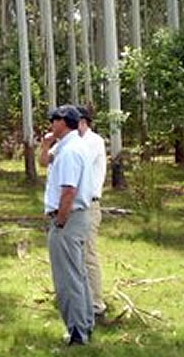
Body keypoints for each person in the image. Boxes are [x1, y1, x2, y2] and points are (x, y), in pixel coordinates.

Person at [41, 105, 96, 346]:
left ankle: (76, 333)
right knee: (78, 274)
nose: (51, 122)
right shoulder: (69, 146)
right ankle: (85, 324)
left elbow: (69, 191)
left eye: (55, 119)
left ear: (65, 122)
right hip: (76, 217)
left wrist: (61, 220)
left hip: (69, 219)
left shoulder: (71, 150)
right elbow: (45, 161)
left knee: (67, 278)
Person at [76, 105, 107, 320]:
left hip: (88, 205)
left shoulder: (93, 141)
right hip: (74, 206)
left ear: (83, 122)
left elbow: (78, 163)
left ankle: (96, 305)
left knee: (88, 255)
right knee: (76, 255)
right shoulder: (73, 142)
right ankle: (81, 299)